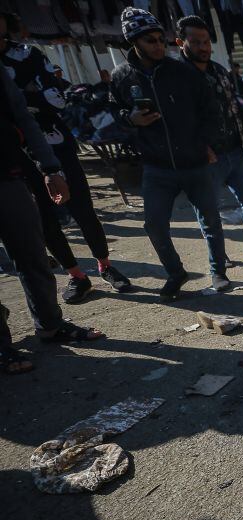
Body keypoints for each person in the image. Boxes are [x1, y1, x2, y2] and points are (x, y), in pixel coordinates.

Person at [1, 12, 132, 304]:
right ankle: (77, 276)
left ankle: (105, 266)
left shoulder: (27, 55)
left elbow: (55, 98)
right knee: (44, 220)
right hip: (13, 157)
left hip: (53, 145)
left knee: (83, 208)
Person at [109, 7, 231, 301]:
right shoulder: (122, 76)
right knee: (154, 224)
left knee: (210, 219)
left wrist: (206, 143)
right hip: (156, 166)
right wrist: (130, 119)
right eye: (151, 41)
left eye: (161, 39)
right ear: (134, 42)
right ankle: (175, 273)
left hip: (194, 162)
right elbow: (115, 112)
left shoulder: (182, 72)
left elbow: (211, 111)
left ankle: (219, 270)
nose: (159, 45)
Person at [1, 66, 104, 373]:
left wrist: (49, 167)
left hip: (8, 174)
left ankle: (50, 324)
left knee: (32, 255)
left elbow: (23, 117)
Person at [176, 16, 243, 265]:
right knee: (209, 211)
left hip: (235, 152)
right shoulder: (178, 77)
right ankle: (218, 258)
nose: (203, 47)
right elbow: (180, 121)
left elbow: (236, 110)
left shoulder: (219, 71)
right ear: (181, 42)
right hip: (206, 158)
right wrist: (200, 147)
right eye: (196, 42)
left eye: (206, 41)